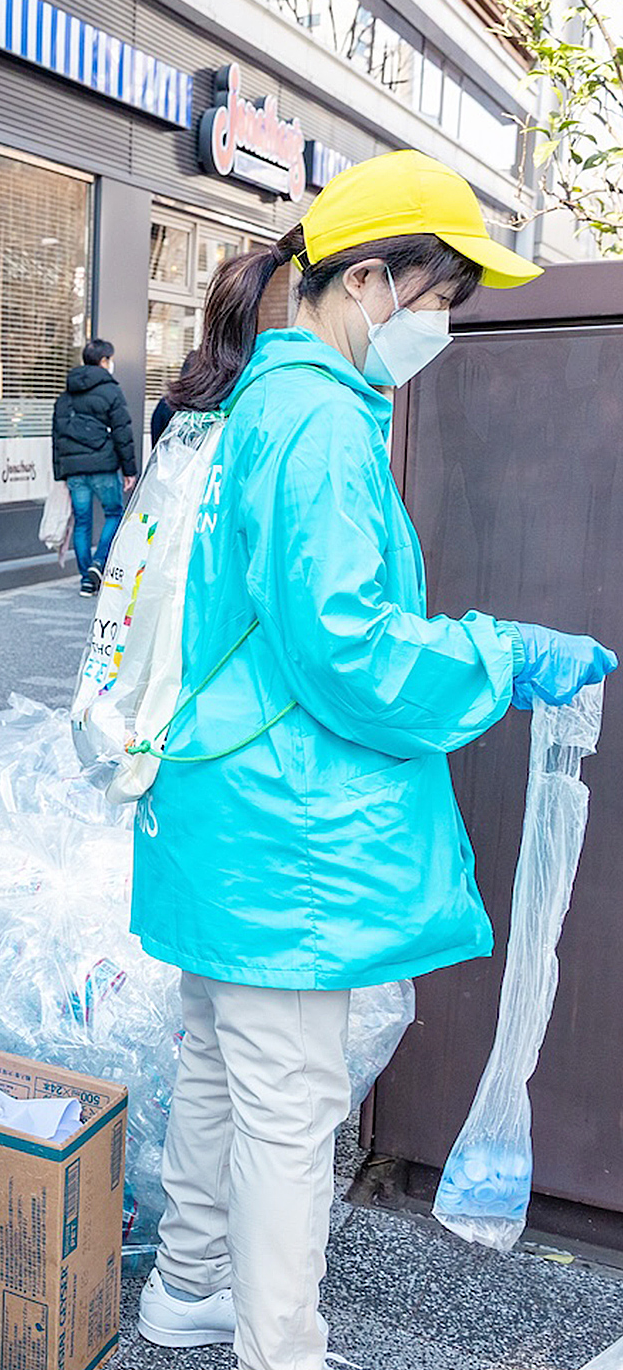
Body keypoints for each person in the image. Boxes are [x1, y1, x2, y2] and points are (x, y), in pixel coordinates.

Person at [129, 150, 616, 1370]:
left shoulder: (261, 404)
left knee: (220, 1064)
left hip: (220, 805)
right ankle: (280, 1346)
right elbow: (348, 649)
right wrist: (502, 655)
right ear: (372, 282)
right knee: (289, 1100)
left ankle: (188, 1288)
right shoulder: (322, 429)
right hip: (286, 824)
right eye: (442, 297)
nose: (442, 325)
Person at [51, 337, 137, 595]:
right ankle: (99, 563)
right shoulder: (111, 391)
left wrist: (61, 472)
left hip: (75, 470)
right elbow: (123, 431)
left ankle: (87, 578)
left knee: (82, 522)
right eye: (110, 359)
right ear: (103, 361)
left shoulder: (66, 394)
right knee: (114, 514)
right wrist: (129, 469)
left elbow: (56, 436)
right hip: (104, 465)